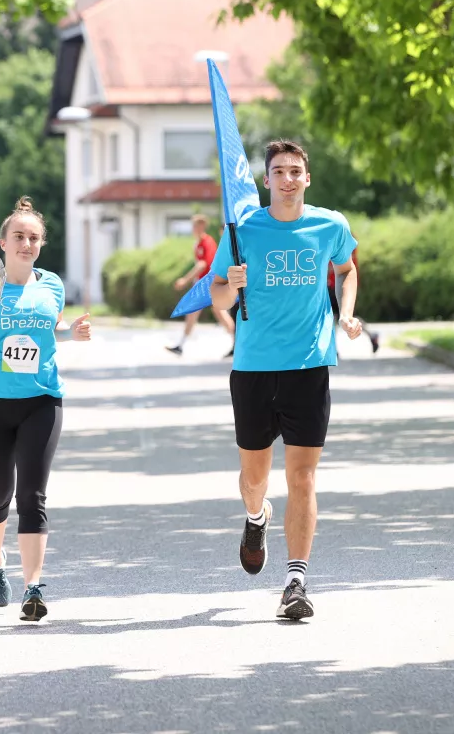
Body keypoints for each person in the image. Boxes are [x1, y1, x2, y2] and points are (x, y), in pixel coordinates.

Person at [210, 140, 363, 621]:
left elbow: (348, 268)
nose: (289, 179)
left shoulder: (330, 224)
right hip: (254, 368)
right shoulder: (242, 231)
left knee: (302, 477)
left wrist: (348, 316)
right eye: (279, 171)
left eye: (296, 171)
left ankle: (296, 581)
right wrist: (229, 286)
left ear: (307, 178)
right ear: (266, 181)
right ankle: (256, 517)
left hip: (310, 364)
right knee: (254, 480)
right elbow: (214, 295)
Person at [0, 197, 92, 622]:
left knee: (32, 495)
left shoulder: (51, 286)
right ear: (3, 242)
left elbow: (51, 330)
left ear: (40, 245)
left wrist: (72, 336)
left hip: (42, 401)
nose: (26, 244)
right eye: (19, 237)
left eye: (34, 238)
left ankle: (34, 587)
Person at [167, 214, 236, 358]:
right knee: (210, 312)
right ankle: (181, 345)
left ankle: (237, 342)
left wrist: (185, 280)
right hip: (204, 283)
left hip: (208, 283)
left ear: (201, 226)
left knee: (215, 312)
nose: (193, 229)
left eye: (195, 226)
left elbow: (203, 264)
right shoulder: (199, 243)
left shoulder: (207, 242)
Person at [328, 248, 380, 354]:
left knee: (339, 317)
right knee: (342, 316)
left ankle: (333, 348)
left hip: (339, 285)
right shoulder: (348, 235)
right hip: (340, 284)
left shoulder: (337, 234)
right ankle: (371, 335)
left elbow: (340, 263)